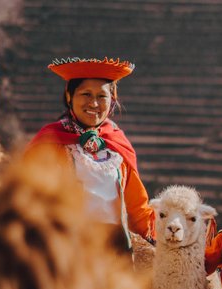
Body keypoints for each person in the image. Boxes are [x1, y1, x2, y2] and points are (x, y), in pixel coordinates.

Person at [24, 57, 154, 250]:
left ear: (112, 100)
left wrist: (157, 237)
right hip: (66, 246)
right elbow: (26, 196)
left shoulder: (117, 143)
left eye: (101, 96)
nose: (93, 103)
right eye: (85, 94)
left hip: (114, 249)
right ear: (69, 96)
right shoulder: (49, 142)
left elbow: (137, 207)